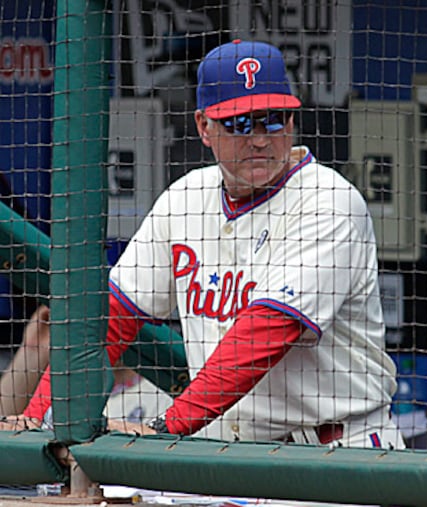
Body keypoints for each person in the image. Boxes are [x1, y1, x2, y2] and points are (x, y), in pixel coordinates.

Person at [8, 40, 404, 449]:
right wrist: (41, 416)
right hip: (231, 452)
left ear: (290, 120)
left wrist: (171, 425)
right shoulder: (185, 199)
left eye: (273, 119)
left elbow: (266, 332)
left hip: (336, 451)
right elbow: (111, 318)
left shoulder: (328, 201)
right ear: (203, 126)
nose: (260, 139)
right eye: (240, 122)